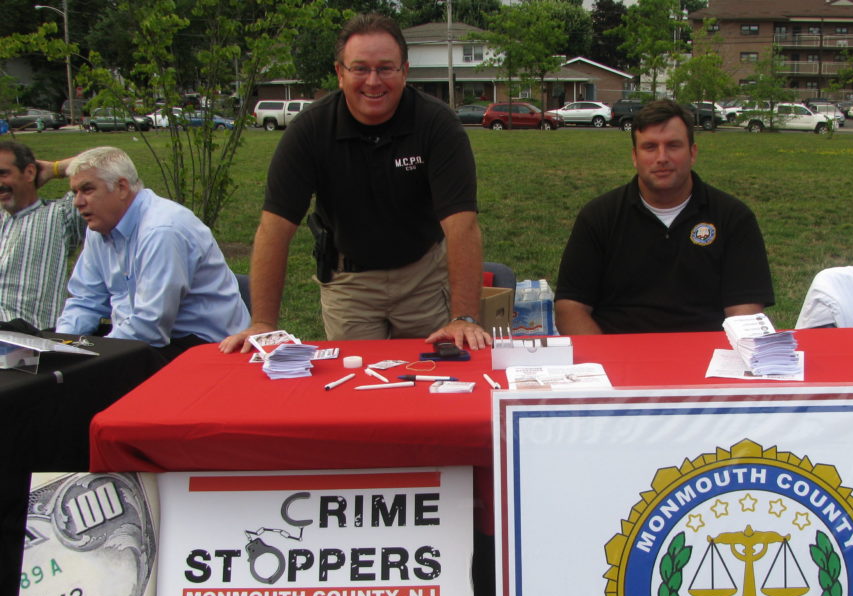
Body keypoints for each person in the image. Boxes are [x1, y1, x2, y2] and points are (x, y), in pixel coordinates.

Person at [219, 13, 489, 354]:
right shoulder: (310, 131)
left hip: (423, 275)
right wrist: (263, 324)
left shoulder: (437, 125)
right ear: (339, 73)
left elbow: (462, 226)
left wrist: (464, 316)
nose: (373, 81)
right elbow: (274, 230)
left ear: (405, 71)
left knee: (433, 378)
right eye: (360, 68)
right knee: (355, 383)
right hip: (350, 282)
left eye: (385, 68)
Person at [555, 99, 774, 335]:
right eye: (650, 147)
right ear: (634, 156)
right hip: (620, 359)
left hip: (706, 359)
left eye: (673, 145)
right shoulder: (599, 217)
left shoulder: (733, 218)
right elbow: (570, 308)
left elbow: (745, 315)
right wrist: (604, 362)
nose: (662, 157)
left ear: (692, 153)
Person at [54, 147, 250, 363]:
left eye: (87, 190)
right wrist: (61, 345)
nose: (77, 202)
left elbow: (149, 327)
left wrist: (92, 360)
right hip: (143, 335)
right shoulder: (99, 228)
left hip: (207, 348)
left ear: (121, 187)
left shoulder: (162, 230)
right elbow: (86, 299)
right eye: (75, 192)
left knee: (84, 383)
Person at [0, 140, 84, 329]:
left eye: (3, 174)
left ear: (29, 172)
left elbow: (104, 164)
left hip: (25, 337)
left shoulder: (60, 214)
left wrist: (54, 169)